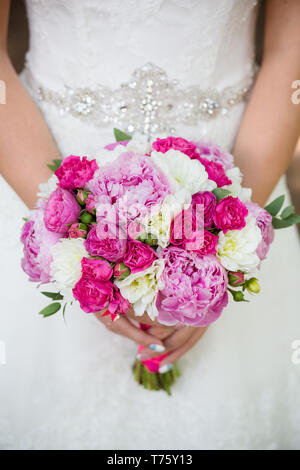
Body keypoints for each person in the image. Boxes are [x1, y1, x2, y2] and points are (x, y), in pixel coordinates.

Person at [0, 0, 300, 450]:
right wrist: (81, 251)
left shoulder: (231, 219)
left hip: (241, 170)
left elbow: (291, 44)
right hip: (43, 172)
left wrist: (222, 251)